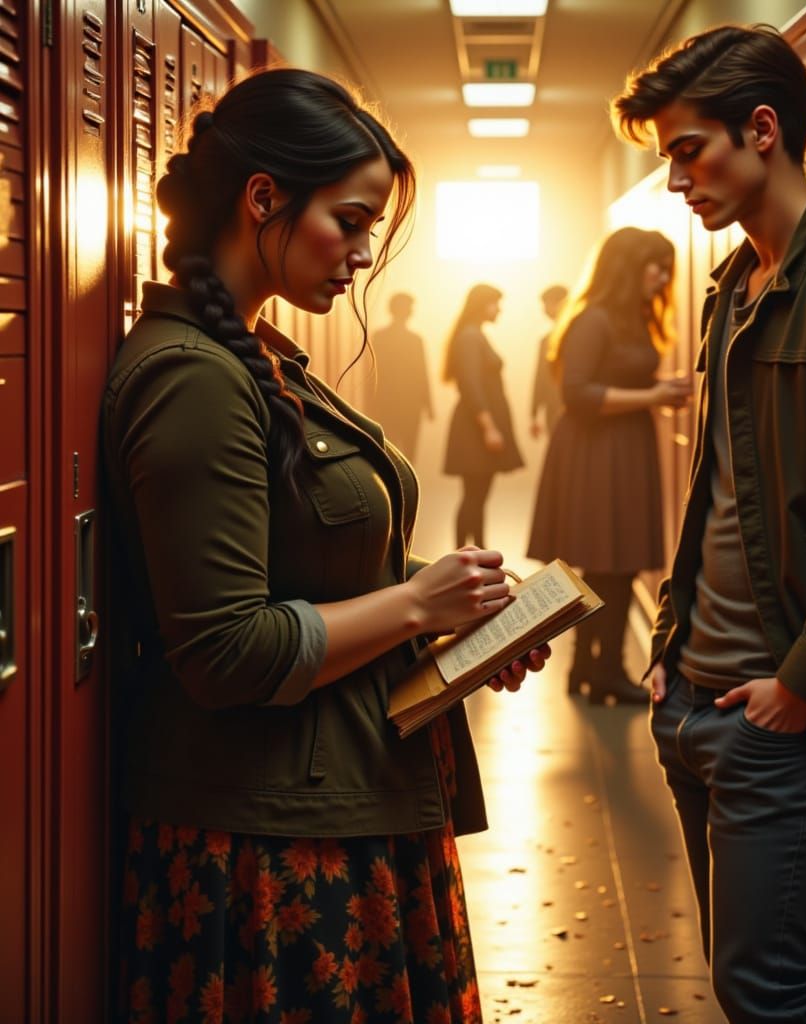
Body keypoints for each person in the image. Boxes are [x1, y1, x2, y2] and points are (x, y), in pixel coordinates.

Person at [102, 70, 549, 1023]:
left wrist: (455, 609)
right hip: (272, 848)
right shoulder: (194, 378)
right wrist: (418, 608)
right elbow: (227, 650)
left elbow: (311, 570)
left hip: (336, 799)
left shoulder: (259, 356)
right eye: (347, 222)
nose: (360, 253)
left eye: (370, 230)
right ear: (264, 197)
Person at [613, 24, 806, 1023]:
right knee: (746, 982)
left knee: (770, 989)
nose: (675, 182)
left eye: (686, 151)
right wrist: (667, 649)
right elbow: (713, 489)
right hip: (694, 698)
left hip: (778, 721)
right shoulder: (729, 289)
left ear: (761, 131)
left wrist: (799, 684)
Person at [527, 228, 690, 705]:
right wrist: (654, 395)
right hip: (596, 450)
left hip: (621, 445)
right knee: (610, 563)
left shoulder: (629, 319)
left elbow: (616, 377)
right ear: (626, 268)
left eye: (666, 267)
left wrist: (658, 388)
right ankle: (607, 672)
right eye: (654, 266)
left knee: (611, 565)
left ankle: (588, 668)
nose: (661, 278)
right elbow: (577, 395)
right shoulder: (593, 320)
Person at [442, 284, 524, 549]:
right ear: (481, 304)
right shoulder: (469, 336)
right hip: (474, 429)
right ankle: (466, 554)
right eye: (495, 303)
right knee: (474, 496)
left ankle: (476, 551)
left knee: (476, 495)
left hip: (477, 426)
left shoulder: (475, 334)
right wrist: (488, 427)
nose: (499, 309)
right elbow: (470, 385)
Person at [366, 291, 434, 463]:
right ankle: (407, 487)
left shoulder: (380, 337)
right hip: (409, 404)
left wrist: (372, 401)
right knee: (409, 451)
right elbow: (422, 372)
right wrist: (428, 404)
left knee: (389, 449)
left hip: (387, 401)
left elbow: (373, 371)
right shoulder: (415, 340)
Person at [528, 284, 568, 439]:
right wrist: (534, 413)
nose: (543, 310)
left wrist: (534, 413)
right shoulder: (547, 340)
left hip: (564, 406)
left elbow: (541, 378)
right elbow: (541, 378)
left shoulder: (549, 341)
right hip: (558, 407)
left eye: (546, 305)